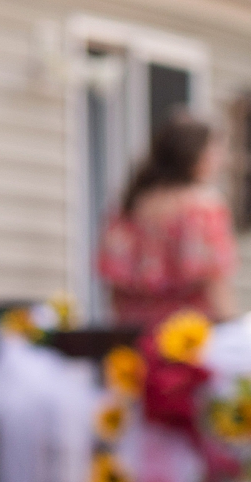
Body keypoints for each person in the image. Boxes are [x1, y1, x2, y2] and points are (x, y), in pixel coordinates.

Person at [98, 109, 238, 331]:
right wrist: (233, 330)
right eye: (216, 151)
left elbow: (115, 290)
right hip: (189, 338)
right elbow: (215, 283)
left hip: (138, 334)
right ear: (195, 156)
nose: (221, 161)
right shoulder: (204, 207)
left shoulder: (131, 207)